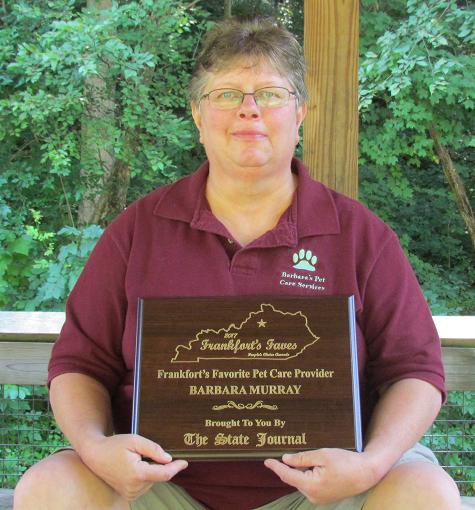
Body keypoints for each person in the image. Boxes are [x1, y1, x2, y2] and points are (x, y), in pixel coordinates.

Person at [14, 17, 461, 510]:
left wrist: (372, 464)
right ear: (197, 115)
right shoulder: (138, 229)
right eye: (226, 94)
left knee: (424, 492)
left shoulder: (360, 234)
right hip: (157, 491)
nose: (249, 111)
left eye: (270, 94)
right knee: (50, 487)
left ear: (301, 111)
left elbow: (416, 370)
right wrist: (98, 451)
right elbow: (79, 364)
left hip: (326, 493)